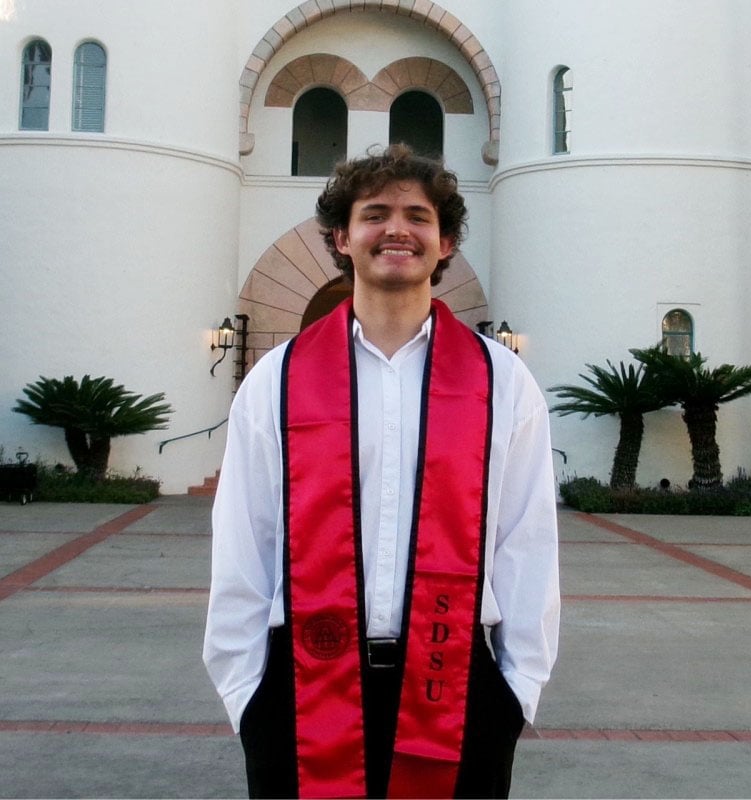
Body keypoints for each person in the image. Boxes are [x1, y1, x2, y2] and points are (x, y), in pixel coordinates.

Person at [202, 144, 560, 799]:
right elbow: (243, 539)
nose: (397, 229)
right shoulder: (277, 381)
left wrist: (517, 690)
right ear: (342, 237)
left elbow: (526, 539)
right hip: (299, 679)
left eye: (418, 217)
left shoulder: (501, 381)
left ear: (445, 241)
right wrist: (244, 691)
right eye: (375, 214)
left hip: (460, 683)